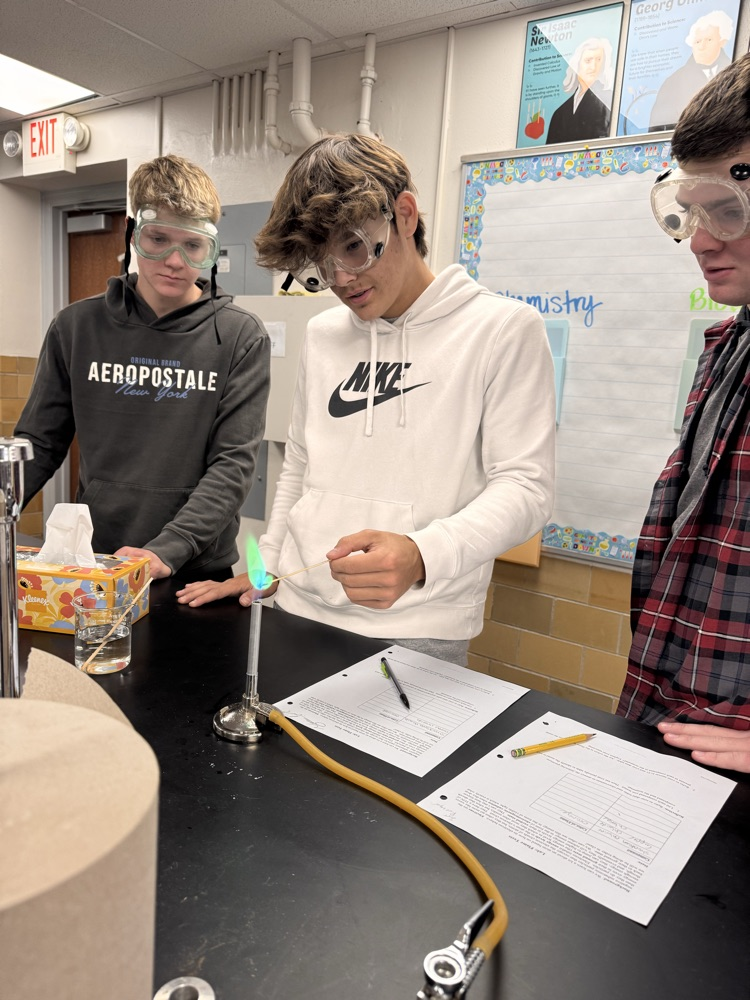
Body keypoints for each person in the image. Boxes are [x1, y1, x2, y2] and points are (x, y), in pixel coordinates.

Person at [178, 133, 556, 666]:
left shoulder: (502, 329)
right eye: (319, 264)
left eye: (353, 247)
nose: (341, 279)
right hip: (298, 605)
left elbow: (526, 487)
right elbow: (300, 465)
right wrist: (273, 567)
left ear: (405, 215)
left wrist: (422, 553)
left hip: (417, 625)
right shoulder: (323, 333)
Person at [15, 154, 271, 581]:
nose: (175, 260)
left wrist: (168, 549)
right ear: (132, 233)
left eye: (192, 245)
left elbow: (233, 464)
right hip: (99, 561)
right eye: (158, 239)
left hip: (192, 569)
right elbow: (39, 443)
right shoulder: (76, 327)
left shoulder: (240, 337)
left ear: (210, 248)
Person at [618, 54, 750, 773]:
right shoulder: (729, 346)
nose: (699, 240)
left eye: (727, 209)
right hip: (674, 714)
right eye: (692, 211)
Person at [649, 10, 734, 132]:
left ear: (722, 41)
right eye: (697, 41)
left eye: (709, 40)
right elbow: (656, 130)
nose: (702, 46)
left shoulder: (737, 75)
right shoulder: (673, 82)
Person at [545, 37, 614, 145]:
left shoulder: (609, 99)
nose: (593, 67)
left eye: (598, 60)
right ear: (576, 65)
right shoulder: (559, 113)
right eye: (588, 61)